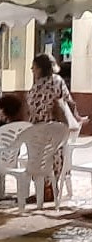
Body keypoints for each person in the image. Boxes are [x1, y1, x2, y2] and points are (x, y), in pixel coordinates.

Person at [27, 52, 79, 202]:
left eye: (34, 67)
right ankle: (49, 188)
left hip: (41, 128)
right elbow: (69, 100)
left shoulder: (39, 85)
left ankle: (46, 189)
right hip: (56, 129)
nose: (32, 69)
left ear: (40, 68)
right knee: (54, 157)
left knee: (39, 157)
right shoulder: (57, 81)